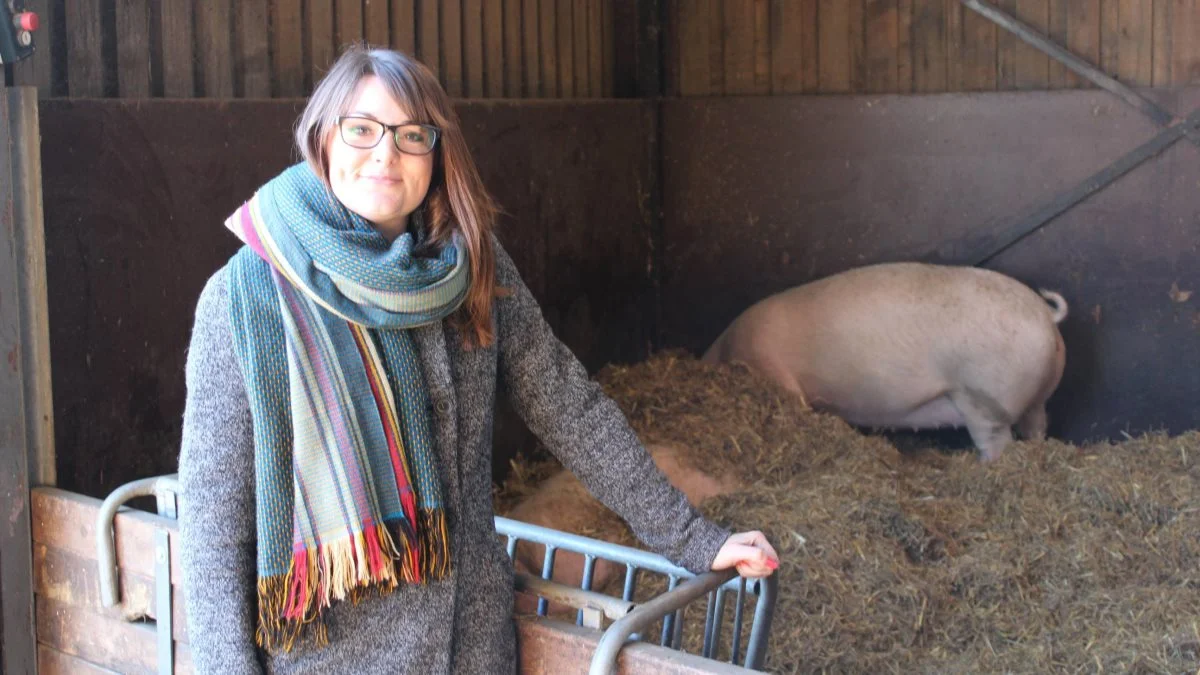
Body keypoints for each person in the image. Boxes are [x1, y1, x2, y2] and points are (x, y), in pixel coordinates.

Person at [178, 43, 779, 674]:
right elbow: (215, 528)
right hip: (329, 660)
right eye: (361, 129)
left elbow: (568, 405)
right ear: (322, 136)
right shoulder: (245, 300)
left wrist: (690, 538)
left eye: (413, 135)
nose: (385, 153)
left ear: (437, 154)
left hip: (472, 647)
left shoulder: (469, 267)